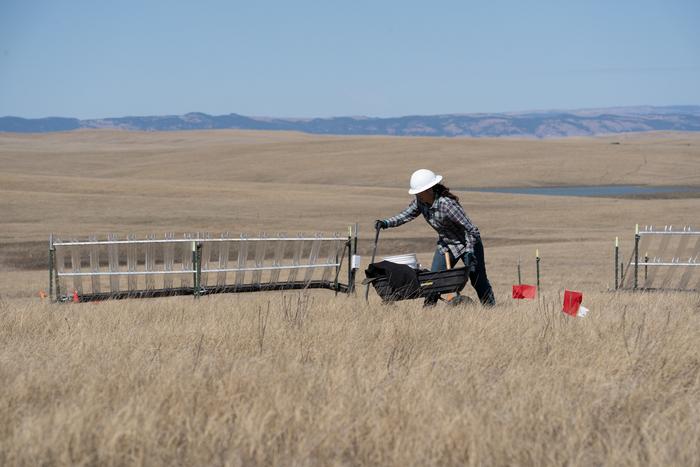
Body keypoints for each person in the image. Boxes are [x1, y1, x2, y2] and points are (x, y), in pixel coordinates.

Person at [375, 169, 496, 306]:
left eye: (419, 192)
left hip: (469, 243)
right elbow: (406, 215)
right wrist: (386, 223)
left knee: (477, 278)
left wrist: (469, 251)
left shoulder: (447, 204)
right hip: (446, 245)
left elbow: (471, 229)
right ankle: (428, 311)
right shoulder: (420, 202)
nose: (417, 195)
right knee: (433, 280)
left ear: (429, 190)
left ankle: (490, 307)